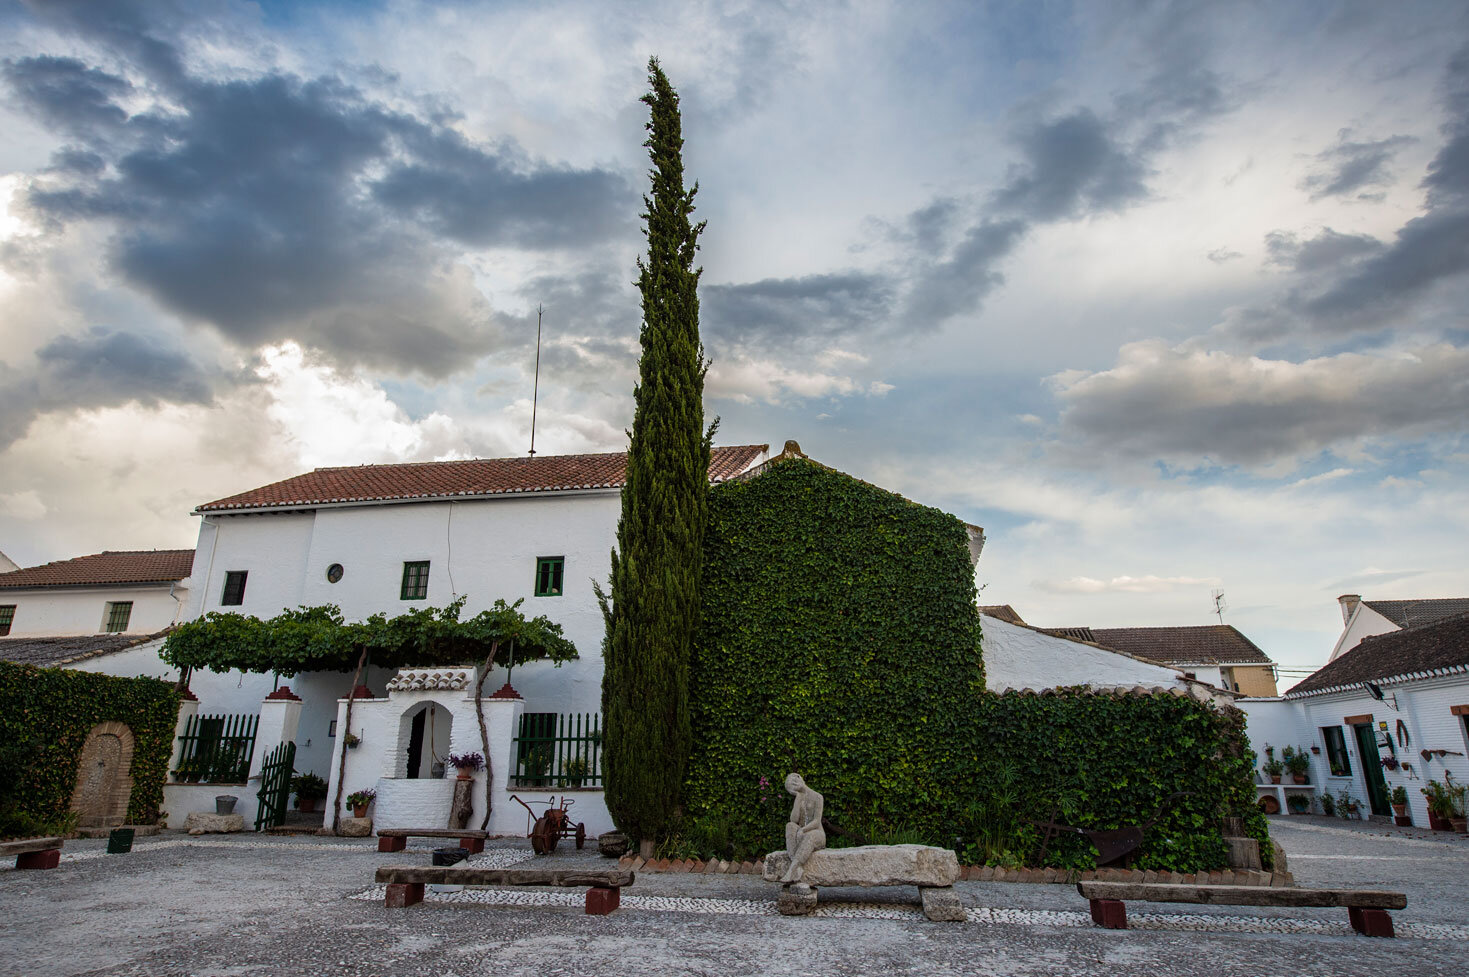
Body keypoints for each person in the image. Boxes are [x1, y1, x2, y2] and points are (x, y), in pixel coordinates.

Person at [780, 772, 826, 884]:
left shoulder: (817, 797)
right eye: (792, 789)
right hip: (802, 834)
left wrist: (803, 830)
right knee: (789, 826)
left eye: (794, 783)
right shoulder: (799, 798)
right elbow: (794, 820)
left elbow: (816, 821)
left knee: (810, 835)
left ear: (800, 778)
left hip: (817, 834)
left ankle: (792, 869)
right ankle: (797, 867)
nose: (795, 787)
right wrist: (798, 798)